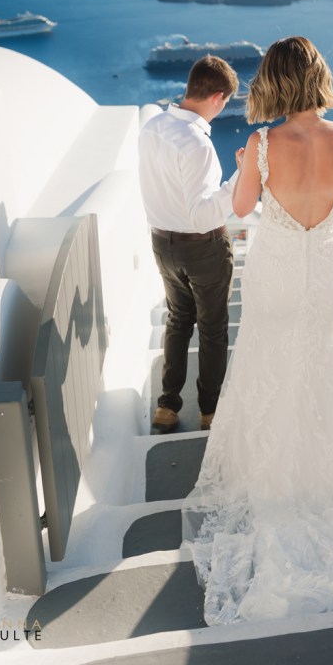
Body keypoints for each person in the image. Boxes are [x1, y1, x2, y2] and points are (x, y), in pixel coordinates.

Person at [182, 36, 333, 625]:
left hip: (275, 272)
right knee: (316, 371)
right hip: (325, 270)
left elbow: (242, 209)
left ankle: (270, 479)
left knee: (266, 366)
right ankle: (318, 479)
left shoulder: (263, 142)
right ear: (318, 77)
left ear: (272, 81)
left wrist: (246, 167)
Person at [138, 55, 240, 433]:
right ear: (217, 96)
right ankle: (210, 410)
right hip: (202, 248)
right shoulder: (198, 145)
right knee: (212, 328)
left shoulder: (151, 128)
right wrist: (239, 179)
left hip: (161, 243)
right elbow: (202, 216)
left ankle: (167, 406)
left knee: (178, 321)